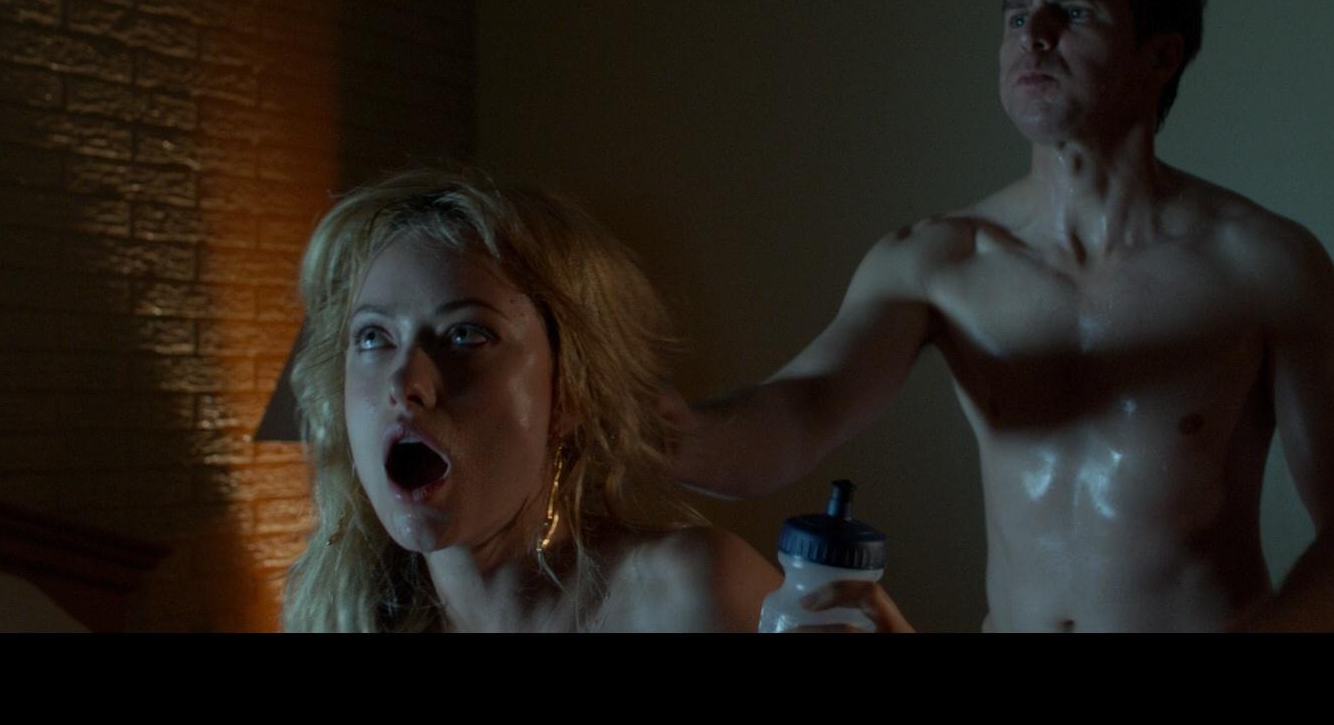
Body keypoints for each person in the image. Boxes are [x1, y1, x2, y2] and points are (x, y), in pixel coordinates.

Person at [674, 0, 1334, 632]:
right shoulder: (938, 261)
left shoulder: (1264, 267)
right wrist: (658, 432)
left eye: (1074, 12)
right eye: (1017, 16)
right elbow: (798, 413)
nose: (1035, 35)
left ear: (1160, 55)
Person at [282, 166, 908, 632]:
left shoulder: (688, 595)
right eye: (373, 337)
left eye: (466, 335)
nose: (404, 383)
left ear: (570, 393)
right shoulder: (341, 615)